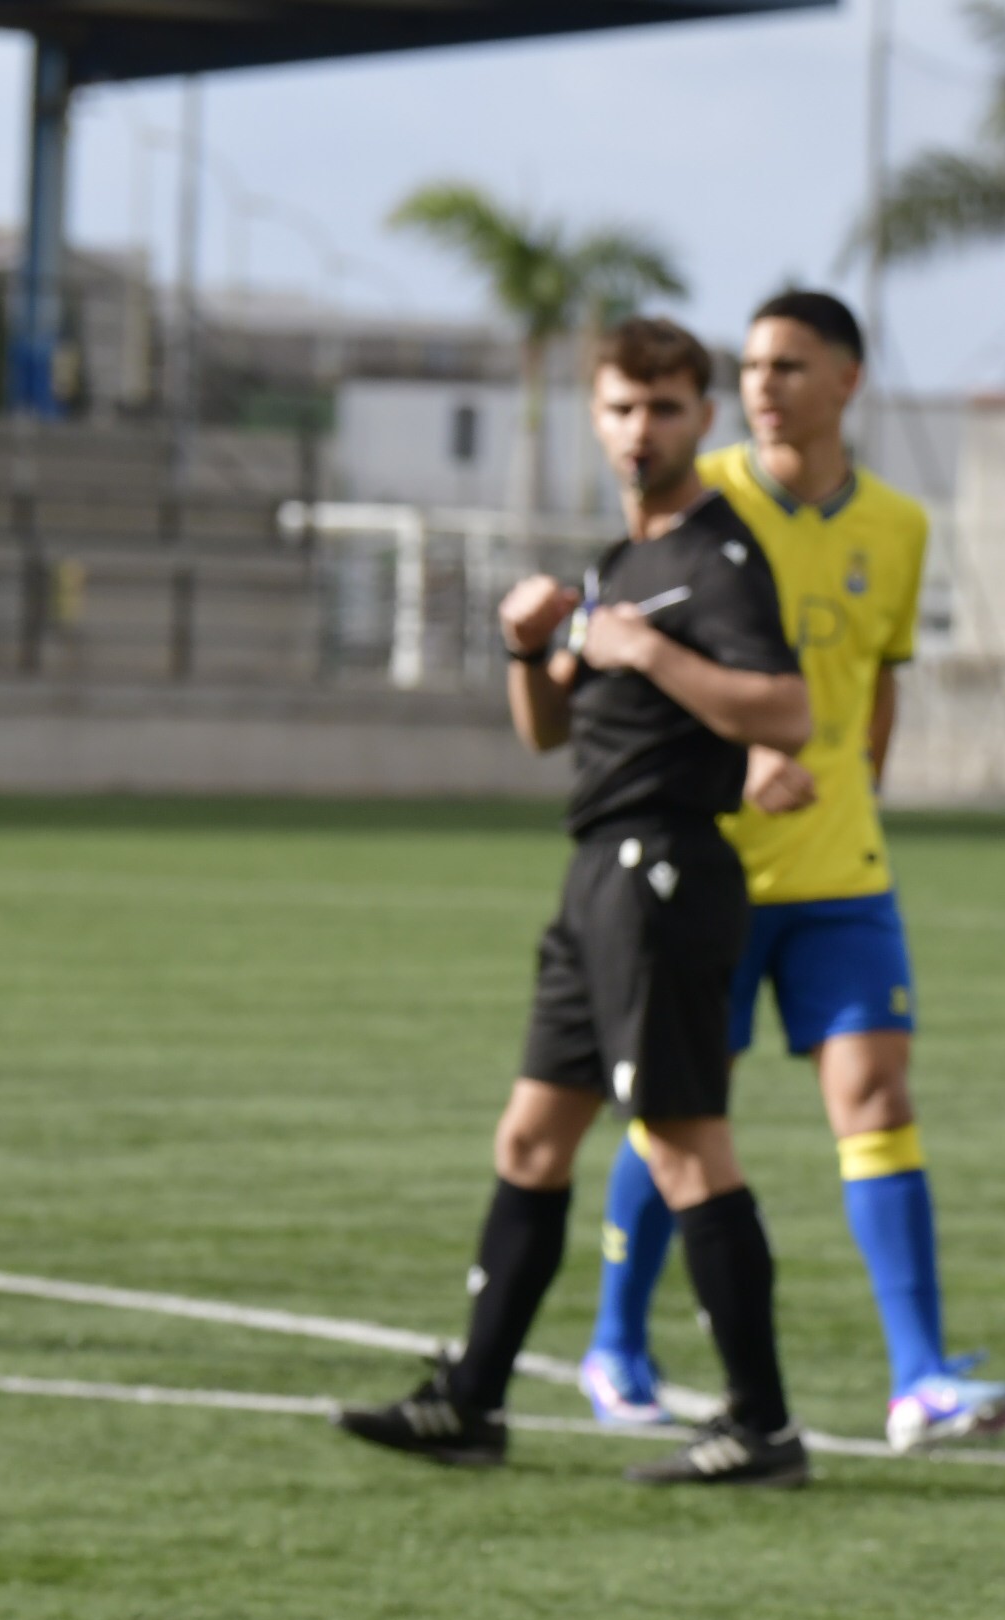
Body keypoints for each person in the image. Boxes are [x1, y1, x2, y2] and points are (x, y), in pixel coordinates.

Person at [338, 315, 817, 1489]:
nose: (639, 430)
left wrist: (653, 656)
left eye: (663, 408)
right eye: (620, 408)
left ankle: (761, 1427)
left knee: (684, 1145)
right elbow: (547, 730)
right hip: (597, 875)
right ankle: (472, 1404)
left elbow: (785, 709)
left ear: (701, 419)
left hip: (664, 873)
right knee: (531, 1137)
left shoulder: (718, 557)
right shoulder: (617, 563)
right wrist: (526, 647)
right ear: (594, 418)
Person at [580, 289, 1005, 1455]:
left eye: (786, 364)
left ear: (847, 380)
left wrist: (858, 787)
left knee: (876, 1095)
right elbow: (633, 677)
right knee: (680, 1110)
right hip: (709, 865)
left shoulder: (898, 525)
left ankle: (918, 1378)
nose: (762, 385)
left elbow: (877, 682)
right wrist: (733, 769)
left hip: (841, 873)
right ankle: (616, 1343)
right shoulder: (700, 504)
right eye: (751, 367)